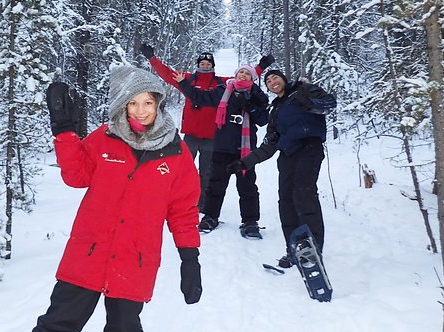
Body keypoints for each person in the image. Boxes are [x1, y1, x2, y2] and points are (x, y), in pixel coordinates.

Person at [0, 65, 202, 332]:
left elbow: (183, 210)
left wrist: (189, 258)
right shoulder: (105, 139)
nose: (142, 110)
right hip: (89, 253)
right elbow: (76, 176)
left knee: (124, 330)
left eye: (149, 102)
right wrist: (64, 132)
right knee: (58, 322)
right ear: (122, 107)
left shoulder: (176, 153)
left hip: (135, 259)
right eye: (133, 103)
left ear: (159, 104)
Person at [140, 45, 274, 210]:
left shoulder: (221, 83)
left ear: (213, 66)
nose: (205, 66)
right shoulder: (187, 80)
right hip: (191, 135)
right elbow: (167, 74)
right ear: (198, 64)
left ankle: (201, 204)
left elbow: (244, 79)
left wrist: (261, 67)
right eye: (202, 63)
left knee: (206, 173)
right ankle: (175, 199)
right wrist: (152, 58)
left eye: (208, 64)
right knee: (182, 169)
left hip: (212, 137)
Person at [226, 69, 337, 266]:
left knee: (304, 193)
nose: (272, 82)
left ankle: (313, 249)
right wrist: (245, 162)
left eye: (275, 77)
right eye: (268, 81)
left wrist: (311, 104)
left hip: (309, 147)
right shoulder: (275, 110)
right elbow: (270, 144)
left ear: (284, 79)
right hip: (287, 155)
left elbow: (329, 104)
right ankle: (294, 249)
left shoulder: (303, 90)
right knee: (286, 201)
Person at [172, 64, 269, 238]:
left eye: (248, 73)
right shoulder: (223, 90)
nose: (244, 75)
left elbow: (262, 120)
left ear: (253, 78)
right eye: (241, 72)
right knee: (215, 184)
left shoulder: (257, 94)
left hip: (245, 150)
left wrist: (249, 105)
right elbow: (200, 97)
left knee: (247, 187)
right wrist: (183, 84)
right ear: (236, 74)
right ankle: (210, 217)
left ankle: (250, 222)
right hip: (223, 146)